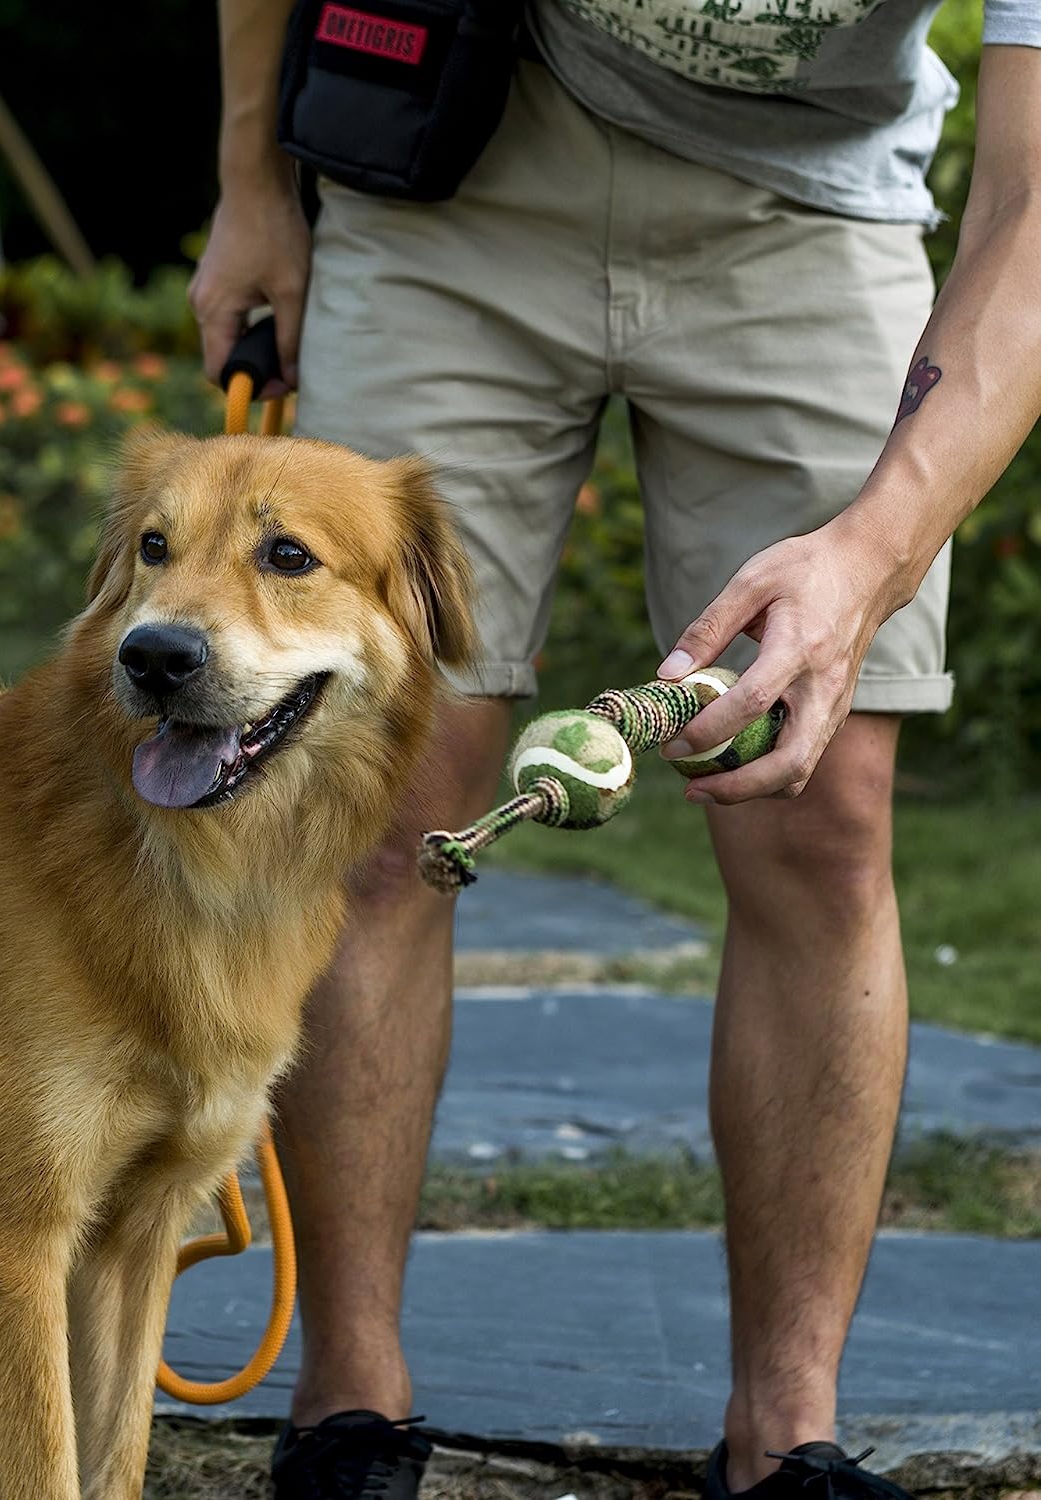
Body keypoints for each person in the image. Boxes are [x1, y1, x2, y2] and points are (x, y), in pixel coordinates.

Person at [189, 0, 1041, 1494]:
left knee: (820, 814)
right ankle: (348, 1404)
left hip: (808, 209)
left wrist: (871, 555)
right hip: (464, 174)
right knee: (382, 803)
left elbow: (1033, 213)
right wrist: (252, 181)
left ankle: (784, 1434)